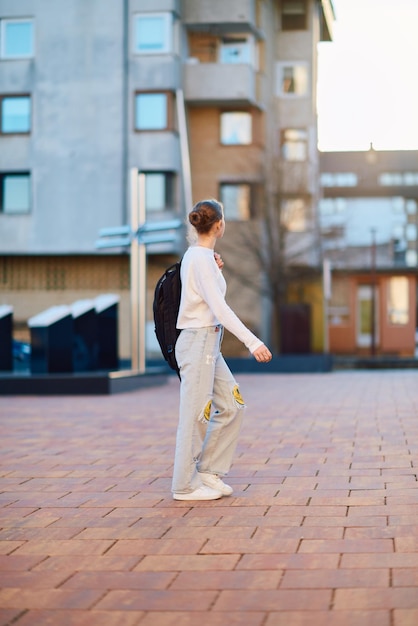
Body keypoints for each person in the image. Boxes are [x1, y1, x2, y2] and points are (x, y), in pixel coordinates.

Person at [172, 198, 272, 501]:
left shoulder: (201, 257)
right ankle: (184, 486)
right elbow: (220, 309)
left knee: (232, 404)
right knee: (196, 416)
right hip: (198, 342)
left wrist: (216, 271)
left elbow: (210, 298)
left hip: (207, 344)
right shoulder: (200, 260)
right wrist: (253, 342)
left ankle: (208, 471)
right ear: (219, 225)